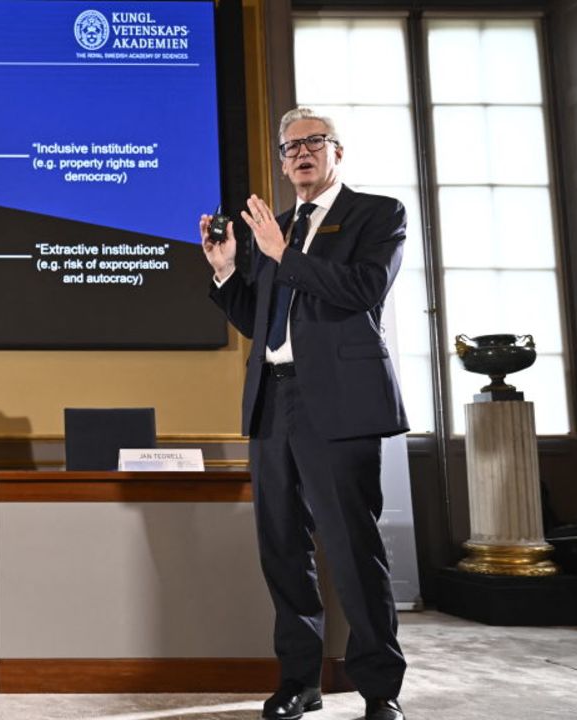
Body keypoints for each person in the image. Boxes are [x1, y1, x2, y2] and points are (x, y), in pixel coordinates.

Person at [200, 108, 409, 720]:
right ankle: (299, 682)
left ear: (337, 152)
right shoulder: (278, 227)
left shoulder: (378, 214)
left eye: (313, 143)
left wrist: (280, 251)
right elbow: (259, 322)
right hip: (273, 400)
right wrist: (227, 272)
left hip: (340, 404)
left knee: (351, 547)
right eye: (289, 147)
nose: (300, 154)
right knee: (282, 549)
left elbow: (364, 291)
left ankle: (379, 690)